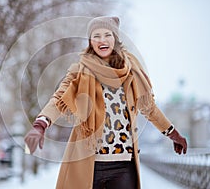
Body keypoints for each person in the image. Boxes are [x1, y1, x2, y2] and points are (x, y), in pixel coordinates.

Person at [24, 16, 187, 189]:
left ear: (115, 39)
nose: (102, 40)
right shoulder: (79, 71)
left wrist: (172, 133)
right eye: (96, 36)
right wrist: (40, 125)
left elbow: (149, 108)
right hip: (88, 163)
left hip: (123, 166)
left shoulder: (132, 72)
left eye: (107, 34)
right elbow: (59, 99)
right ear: (90, 41)